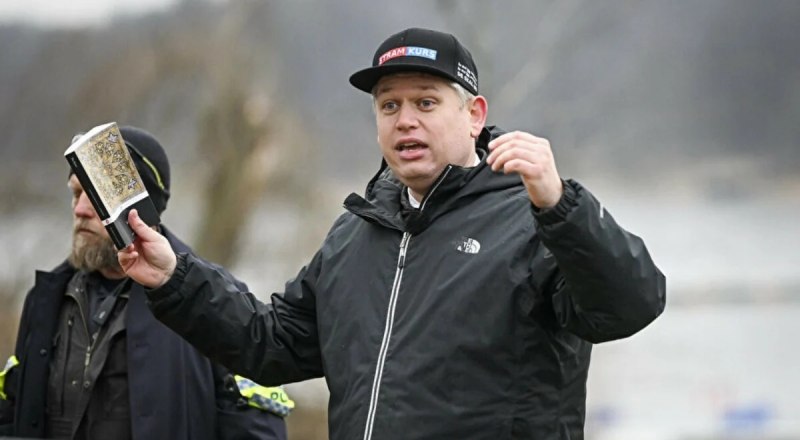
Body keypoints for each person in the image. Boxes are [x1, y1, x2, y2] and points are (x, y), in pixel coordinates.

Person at [117, 28, 666, 439]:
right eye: (389, 106)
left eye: (426, 102)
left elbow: (630, 306)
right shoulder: (355, 232)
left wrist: (561, 204)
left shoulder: (535, 218)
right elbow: (270, 343)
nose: (405, 120)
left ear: (474, 115)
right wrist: (175, 276)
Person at [0, 126, 291, 439]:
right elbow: (13, 414)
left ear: (138, 210)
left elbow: (257, 431)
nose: (80, 210)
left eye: (95, 197)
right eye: (75, 194)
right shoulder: (44, 299)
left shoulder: (209, 302)